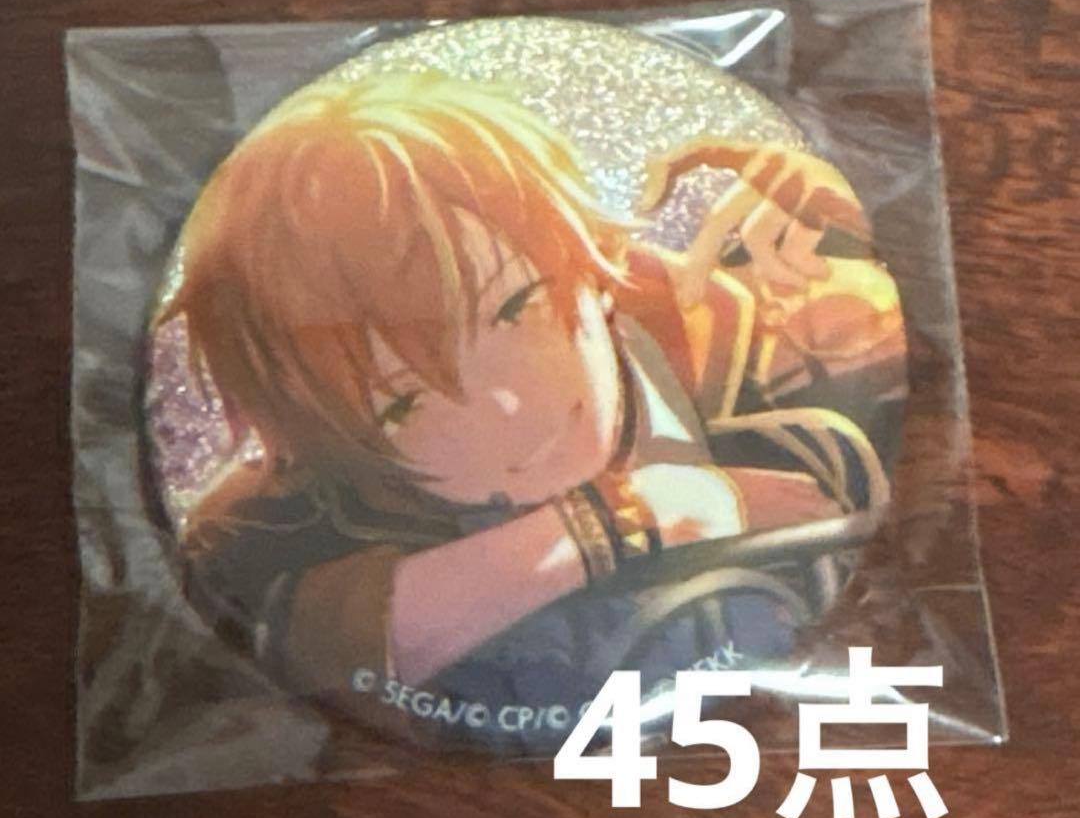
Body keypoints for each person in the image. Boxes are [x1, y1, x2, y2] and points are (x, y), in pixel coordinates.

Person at [157, 69, 906, 727]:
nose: (510, 407)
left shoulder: (748, 333)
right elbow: (288, 637)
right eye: (404, 405)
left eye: (518, 310)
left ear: (592, 264)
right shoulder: (269, 527)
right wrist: (630, 519)